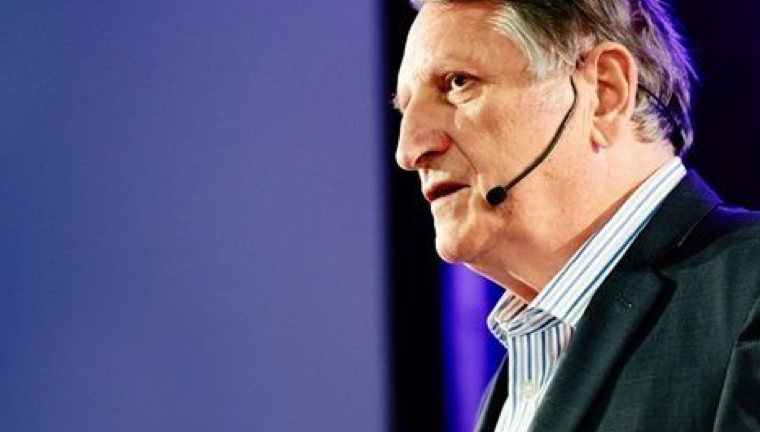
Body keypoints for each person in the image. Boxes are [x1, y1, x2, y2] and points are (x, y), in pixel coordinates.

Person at [393, 1, 760, 431]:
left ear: (605, 92)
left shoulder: (748, 294)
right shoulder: (512, 383)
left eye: (458, 83)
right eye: (404, 109)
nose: (409, 150)